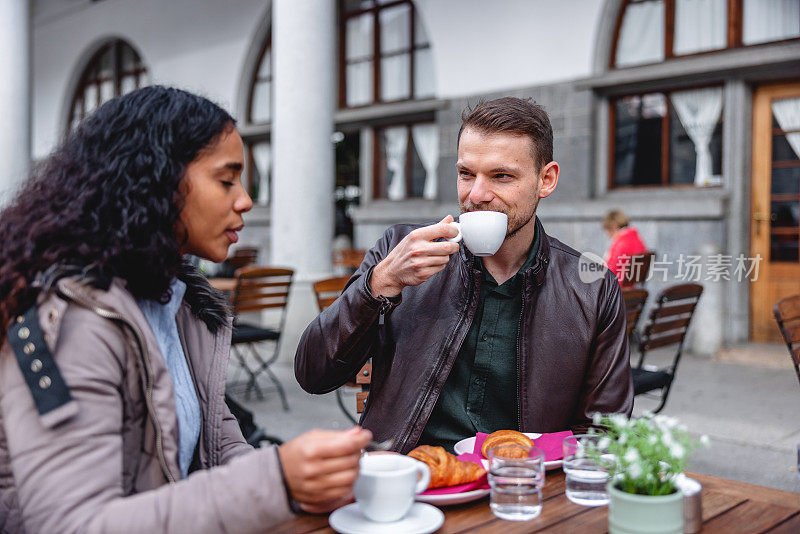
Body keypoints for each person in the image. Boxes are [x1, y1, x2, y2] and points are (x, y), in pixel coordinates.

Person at [0, 86, 371, 534]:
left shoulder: (182, 306)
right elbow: (73, 524)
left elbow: (222, 449)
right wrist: (279, 480)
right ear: (157, 181)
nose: (245, 200)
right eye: (226, 179)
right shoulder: (71, 320)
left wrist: (311, 477)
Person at [295, 97, 633, 454]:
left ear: (545, 180)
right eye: (466, 174)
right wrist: (379, 284)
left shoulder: (591, 288)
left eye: (501, 176)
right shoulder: (400, 250)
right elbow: (313, 375)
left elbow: (605, 433)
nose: (477, 194)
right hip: (411, 482)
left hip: (519, 487)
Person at [603, 209, 648, 288]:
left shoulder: (621, 242)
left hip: (618, 289)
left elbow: (610, 270)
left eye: (607, 230)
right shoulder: (637, 239)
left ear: (614, 227)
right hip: (633, 288)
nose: (608, 235)